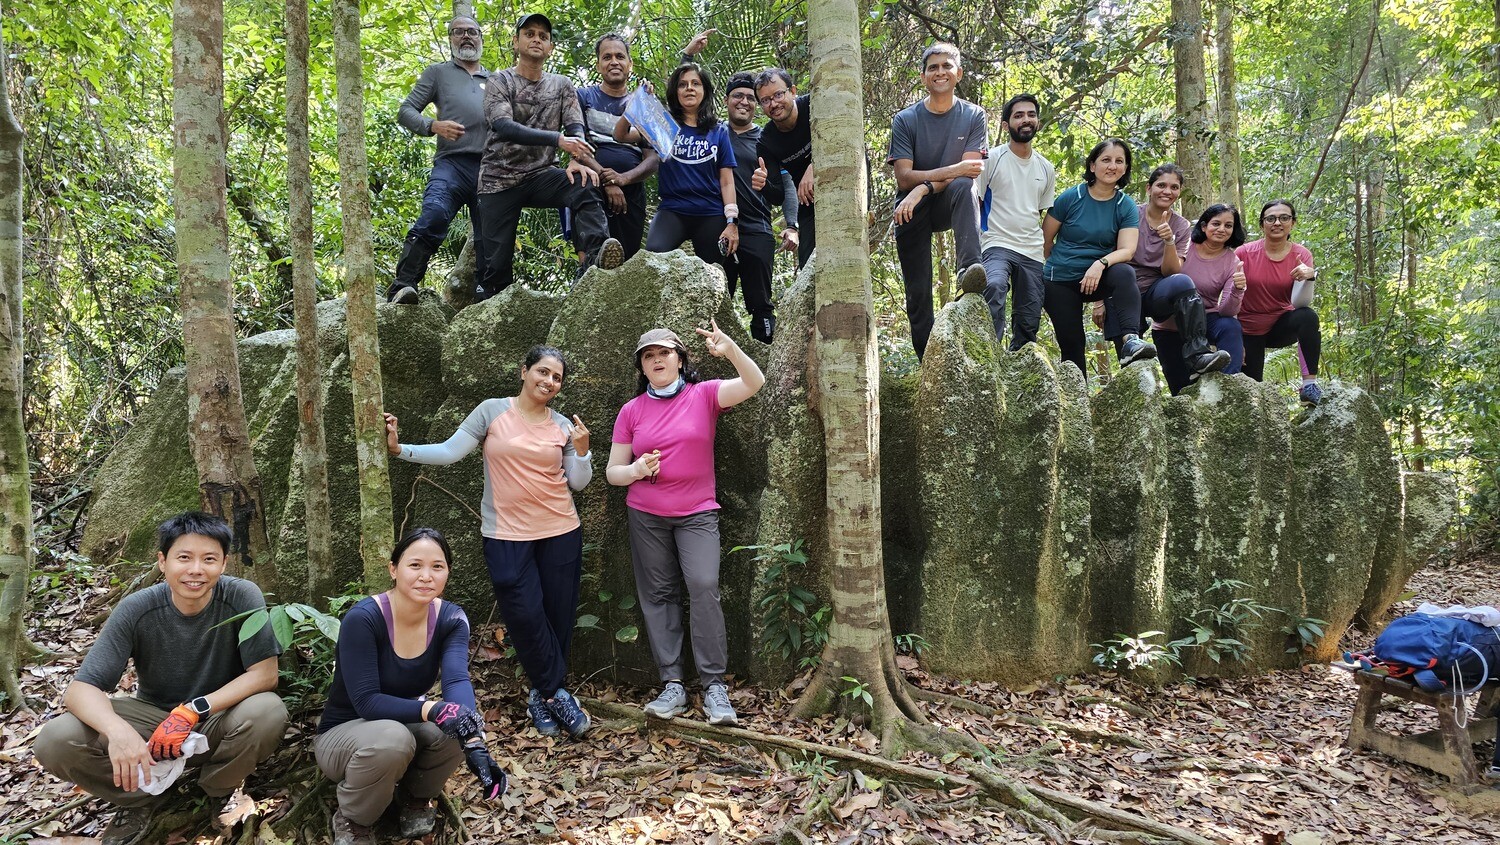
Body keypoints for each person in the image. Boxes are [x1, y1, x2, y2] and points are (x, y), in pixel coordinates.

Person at [33, 512, 286, 845]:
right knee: (55, 740)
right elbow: (81, 689)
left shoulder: (241, 596)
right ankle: (140, 798)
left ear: (224, 564)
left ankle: (221, 788)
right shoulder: (137, 608)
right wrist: (118, 731)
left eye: (208, 559)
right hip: (153, 722)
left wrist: (193, 710)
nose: (196, 570)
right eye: (184, 558)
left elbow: (265, 675)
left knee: (268, 711)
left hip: (219, 719)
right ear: (163, 562)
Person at [384, 346, 594, 739]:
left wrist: (581, 452)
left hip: (561, 529)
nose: (548, 382)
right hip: (506, 534)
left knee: (558, 616)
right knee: (525, 614)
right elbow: (450, 452)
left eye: (556, 378)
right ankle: (554, 691)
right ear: (524, 371)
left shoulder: (564, 425)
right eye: (542, 372)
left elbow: (578, 482)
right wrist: (399, 450)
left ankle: (542, 694)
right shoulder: (492, 411)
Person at [606, 321, 765, 726]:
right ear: (641, 367)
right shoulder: (631, 411)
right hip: (646, 515)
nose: (657, 360)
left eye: (664, 353)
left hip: (697, 512)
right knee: (658, 595)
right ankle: (672, 683)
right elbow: (612, 473)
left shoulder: (705, 395)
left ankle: (714, 686)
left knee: (703, 585)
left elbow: (754, 381)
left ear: (680, 359)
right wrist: (637, 469)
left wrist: (729, 348)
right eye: (648, 356)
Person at [315, 529, 507, 845]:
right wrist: (433, 708)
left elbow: (457, 679)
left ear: (448, 572)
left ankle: (416, 798)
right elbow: (366, 701)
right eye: (415, 565)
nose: (426, 577)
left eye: (437, 567)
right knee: (395, 738)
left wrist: (474, 741)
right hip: (344, 736)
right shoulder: (364, 618)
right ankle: (353, 819)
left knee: (456, 725)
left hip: (400, 728)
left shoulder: (451, 618)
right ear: (394, 569)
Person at [475, 13, 622, 300]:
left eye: (543, 36)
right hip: (498, 181)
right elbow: (503, 126)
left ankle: (596, 258)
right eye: (529, 34)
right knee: (495, 268)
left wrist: (578, 157)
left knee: (583, 182)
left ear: (550, 47)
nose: (536, 39)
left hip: (542, 174)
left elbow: (575, 125)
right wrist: (558, 140)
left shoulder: (561, 85)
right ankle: (490, 305)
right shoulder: (499, 80)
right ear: (516, 42)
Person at [888, 42, 989, 359]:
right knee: (918, 293)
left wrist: (924, 187)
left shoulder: (973, 115)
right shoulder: (906, 120)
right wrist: (920, 187)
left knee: (963, 186)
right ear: (923, 76)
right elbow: (903, 177)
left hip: (946, 203)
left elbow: (968, 173)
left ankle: (969, 269)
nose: (940, 72)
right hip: (910, 211)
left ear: (958, 73)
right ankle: (926, 362)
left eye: (947, 66)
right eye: (933, 67)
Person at [388, 17, 491, 304]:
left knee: (490, 233)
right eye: (459, 32)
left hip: (491, 168)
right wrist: (433, 125)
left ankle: (488, 296)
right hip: (452, 164)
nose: (466, 37)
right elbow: (406, 110)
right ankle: (403, 286)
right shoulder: (438, 73)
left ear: (481, 37)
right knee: (434, 214)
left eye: (472, 31)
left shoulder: (496, 79)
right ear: (450, 39)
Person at [1040, 137, 1156, 375]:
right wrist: (1059, 266)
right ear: (1092, 165)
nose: (1112, 166)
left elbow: (1127, 250)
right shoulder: (1071, 198)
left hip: (1099, 277)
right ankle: (1078, 403)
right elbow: (1045, 239)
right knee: (1073, 344)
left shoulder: (1125, 205)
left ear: (1125, 168)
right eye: (1106, 160)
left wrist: (1100, 263)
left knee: (1124, 272)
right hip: (1061, 280)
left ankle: (1130, 339)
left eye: (1119, 161)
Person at [617, 64, 739, 270]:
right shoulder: (664, 126)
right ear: (675, 92)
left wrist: (731, 222)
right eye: (682, 85)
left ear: (705, 91)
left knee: (711, 274)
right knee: (652, 260)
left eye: (695, 84)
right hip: (673, 210)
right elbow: (620, 135)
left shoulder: (718, 131)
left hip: (710, 212)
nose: (689, 88)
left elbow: (726, 182)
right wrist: (638, 101)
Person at [1127, 163, 1232, 388]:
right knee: (1122, 273)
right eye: (1161, 185)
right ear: (1149, 187)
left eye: (1174, 187)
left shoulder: (1181, 225)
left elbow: (1171, 272)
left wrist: (1168, 241)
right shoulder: (1130, 213)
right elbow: (1110, 251)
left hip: (1156, 293)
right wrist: (1099, 302)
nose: (1167, 191)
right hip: (1124, 289)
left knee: (1183, 281)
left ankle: (1197, 355)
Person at [721, 71, 800, 344]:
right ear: (726, 100)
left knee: (761, 306)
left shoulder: (767, 140)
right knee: (718, 300)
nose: (744, 102)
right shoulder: (714, 135)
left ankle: (765, 368)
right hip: (719, 228)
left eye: (751, 98)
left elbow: (787, 185)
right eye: (737, 96)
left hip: (758, 229)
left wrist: (792, 225)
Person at [977, 93, 1056, 349]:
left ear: (1038, 122)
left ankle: (1018, 363)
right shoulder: (991, 158)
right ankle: (990, 354)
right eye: (1018, 115)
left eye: (1031, 115)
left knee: (1029, 316)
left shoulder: (1046, 168)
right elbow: (974, 202)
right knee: (995, 286)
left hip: (1031, 251)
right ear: (1005, 124)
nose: (1026, 120)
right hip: (996, 242)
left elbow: (1040, 212)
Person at [575, 33, 659, 260]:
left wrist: (624, 179)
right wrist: (608, 180)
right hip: (591, 186)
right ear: (598, 64)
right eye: (607, 57)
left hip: (631, 191)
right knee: (592, 258)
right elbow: (577, 146)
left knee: (625, 261)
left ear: (629, 64)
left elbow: (652, 158)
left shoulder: (643, 103)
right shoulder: (583, 97)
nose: (614, 61)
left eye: (620, 56)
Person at [1149, 203, 1247, 394]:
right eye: (1216, 223)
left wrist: (1237, 289)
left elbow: (1227, 311)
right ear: (1204, 226)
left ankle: (1229, 388)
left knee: (1230, 325)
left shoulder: (1232, 261)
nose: (1221, 229)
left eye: (1228, 225)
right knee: (1181, 389)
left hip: (1205, 320)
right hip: (1171, 325)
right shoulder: (1185, 246)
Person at [1235, 199, 1324, 405]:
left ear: (1292, 223)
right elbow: (1229, 296)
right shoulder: (1244, 253)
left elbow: (1300, 303)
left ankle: (1309, 385)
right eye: (1271, 218)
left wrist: (1310, 277)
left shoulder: (1302, 254)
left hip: (1280, 326)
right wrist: (1234, 340)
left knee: (1307, 316)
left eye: (1284, 218)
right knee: (1251, 396)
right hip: (1246, 330)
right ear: (1262, 224)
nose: (1277, 223)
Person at [749, 68, 813, 267]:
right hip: (809, 198)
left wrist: (814, 166)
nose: (774, 104)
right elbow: (778, 195)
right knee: (809, 262)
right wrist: (763, 184)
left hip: (845, 178)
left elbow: (845, 136)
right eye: (765, 100)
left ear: (792, 91)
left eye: (778, 94)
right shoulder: (766, 141)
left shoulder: (814, 104)